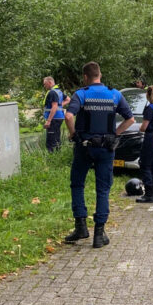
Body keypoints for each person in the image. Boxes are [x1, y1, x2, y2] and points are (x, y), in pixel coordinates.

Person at [63, 62, 135, 248]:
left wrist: (73, 134)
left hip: (84, 146)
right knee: (103, 189)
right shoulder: (114, 94)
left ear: (85, 77)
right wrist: (115, 134)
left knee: (77, 183)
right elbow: (131, 119)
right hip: (106, 148)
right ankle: (99, 234)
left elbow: (69, 116)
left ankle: (80, 227)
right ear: (100, 75)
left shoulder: (81, 94)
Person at [136, 86, 153, 203]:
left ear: (148, 94)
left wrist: (140, 128)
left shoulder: (149, 109)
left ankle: (149, 194)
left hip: (150, 137)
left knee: (146, 165)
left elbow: (144, 127)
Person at [42, 77, 69, 153]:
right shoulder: (59, 91)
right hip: (59, 117)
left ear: (50, 82)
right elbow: (68, 99)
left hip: (53, 118)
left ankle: (51, 158)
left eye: (45, 84)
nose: (44, 86)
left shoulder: (52, 92)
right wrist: (60, 105)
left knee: (50, 141)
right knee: (56, 138)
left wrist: (48, 121)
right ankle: (58, 155)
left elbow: (54, 106)